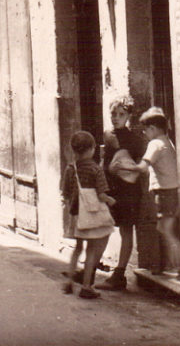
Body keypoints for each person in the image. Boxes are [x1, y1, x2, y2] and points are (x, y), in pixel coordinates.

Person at [61, 130, 116, 299]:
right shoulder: (95, 169)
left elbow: (65, 192)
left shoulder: (71, 169)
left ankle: (69, 282)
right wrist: (110, 200)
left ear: (74, 150)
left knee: (77, 248)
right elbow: (101, 194)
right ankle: (86, 287)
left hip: (77, 214)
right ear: (92, 149)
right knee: (91, 250)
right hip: (91, 215)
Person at [100, 96, 145, 291]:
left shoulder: (135, 139)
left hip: (127, 191)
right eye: (113, 114)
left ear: (129, 116)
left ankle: (119, 274)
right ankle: (91, 267)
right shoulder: (108, 135)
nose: (116, 118)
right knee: (102, 226)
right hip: (111, 189)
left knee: (126, 230)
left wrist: (121, 169)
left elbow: (136, 167)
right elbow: (105, 161)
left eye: (121, 114)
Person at [131, 108, 180, 277]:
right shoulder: (167, 141)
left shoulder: (155, 144)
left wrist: (121, 166)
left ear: (152, 128)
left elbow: (143, 167)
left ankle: (179, 267)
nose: (145, 134)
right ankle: (170, 266)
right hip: (172, 190)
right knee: (166, 228)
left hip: (164, 192)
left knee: (166, 230)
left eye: (145, 130)